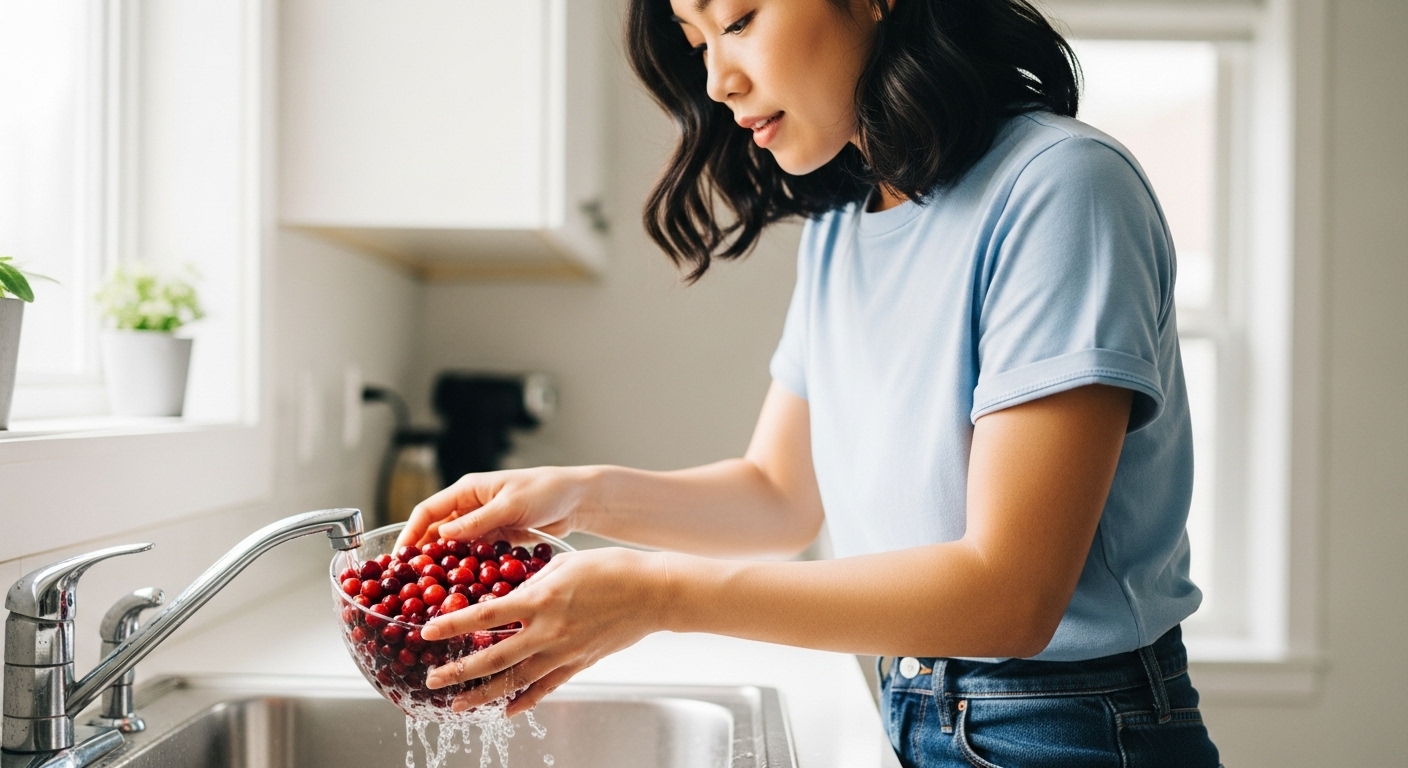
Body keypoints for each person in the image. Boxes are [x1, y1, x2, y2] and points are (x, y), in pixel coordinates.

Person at [401, 0, 1223, 764]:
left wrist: (653, 594)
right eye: (697, 44)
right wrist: (576, 496)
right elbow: (779, 496)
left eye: (740, 19)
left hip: (1068, 727)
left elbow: (1011, 595)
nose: (718, 79)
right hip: (909, 701)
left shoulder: (1061, 186)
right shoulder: (841, 230)